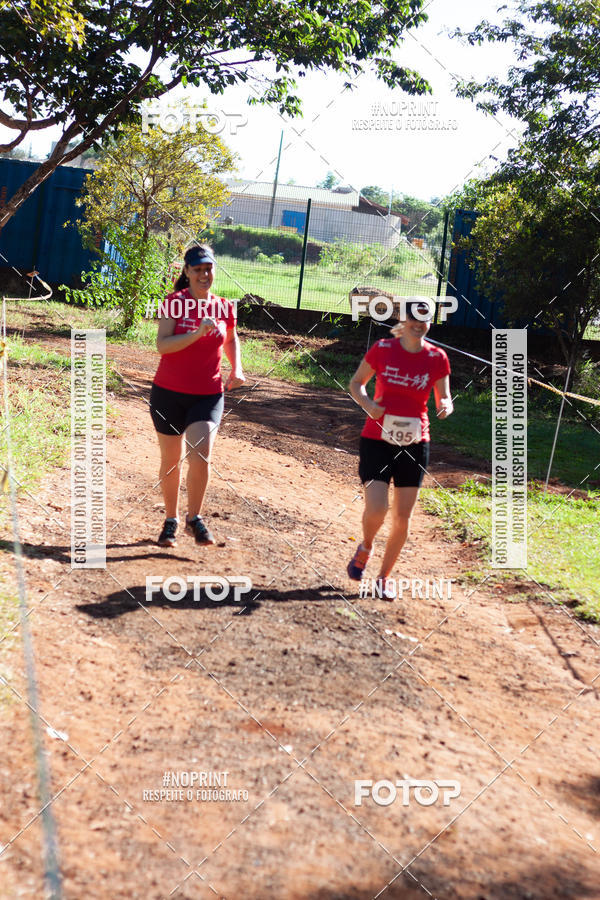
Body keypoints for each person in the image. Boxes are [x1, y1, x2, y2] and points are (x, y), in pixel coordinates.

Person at [347, 298, 453, 599]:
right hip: (377, 439)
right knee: (378, 508)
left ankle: (383, 577)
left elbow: (445, 398)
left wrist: (446, 405)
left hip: (415, 442)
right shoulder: (383, 349)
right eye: (414, 318)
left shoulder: (437, 358)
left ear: (430, 323)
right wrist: (367, 404)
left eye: (425, 319)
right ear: (403, 321)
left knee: (403, 518)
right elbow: (356, 384)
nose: (419, 324)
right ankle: (366, 545)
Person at [149, 244, 245, 547]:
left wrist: (237, 368)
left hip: (208, 393)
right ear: (187, 273)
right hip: (167, 393)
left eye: (209, 269)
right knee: (171, 459)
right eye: (198, 269)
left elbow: (231, 339)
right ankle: (171, 520)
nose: (205, 274)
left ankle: (194, 518)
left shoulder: (224, 306)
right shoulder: (174, 302)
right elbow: (163, 345)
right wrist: (195, 334)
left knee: (200, 453)